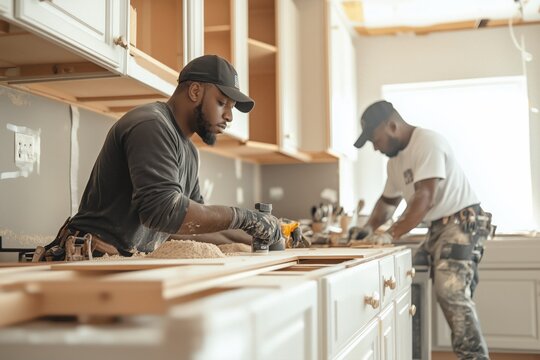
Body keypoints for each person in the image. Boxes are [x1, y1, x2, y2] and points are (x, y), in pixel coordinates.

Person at [40, 54, 281, 259]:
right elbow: (164, 212)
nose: (229, 116)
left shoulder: (189, 152)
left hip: (120, 261)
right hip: (88, 259)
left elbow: (192, 227)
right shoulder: (151, 125)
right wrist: (244, 217)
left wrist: (267, 229)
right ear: (195, 91)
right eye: (222, 103)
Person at [349, 100, 492, 360]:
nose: (375, 147)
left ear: (392, 125)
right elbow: (387, 203)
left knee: (451, 293)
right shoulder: (394, 162)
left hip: (462, 224)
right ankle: (415, 355)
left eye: (375, 139)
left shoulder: (427, 142)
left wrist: (389, 234)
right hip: (438, 228)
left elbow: (425, 197)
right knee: (408, 280)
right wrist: (366, 229)